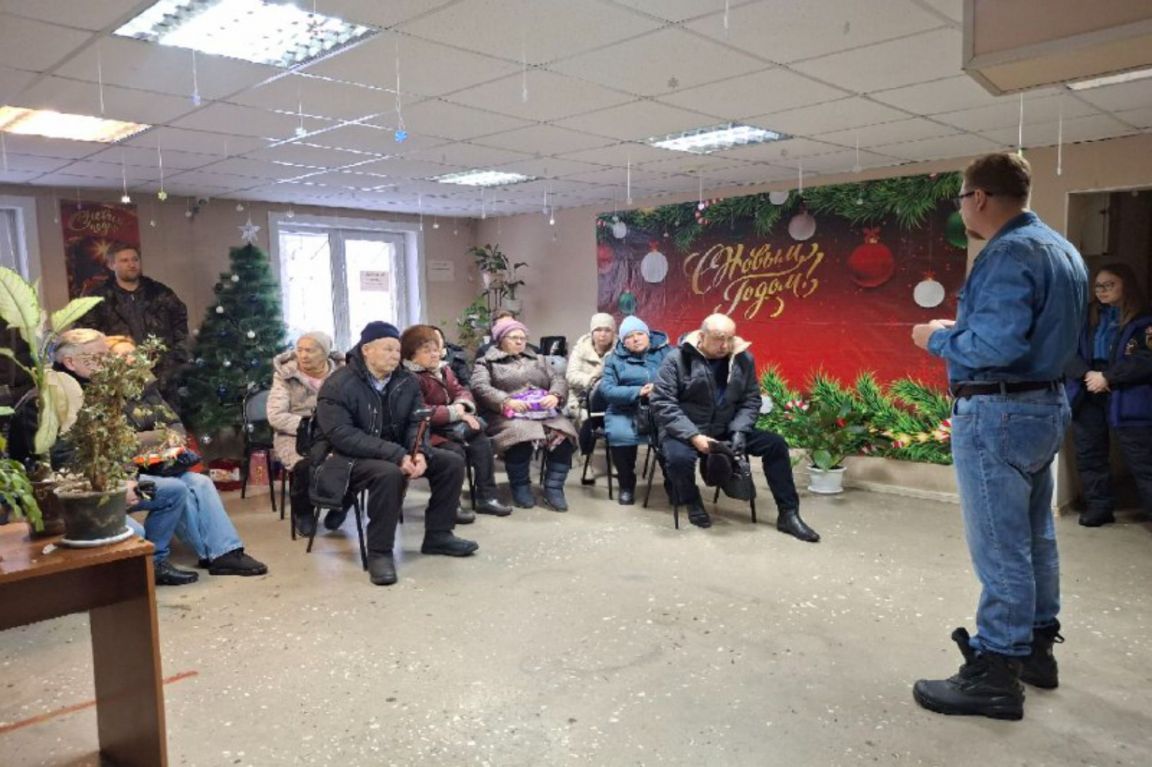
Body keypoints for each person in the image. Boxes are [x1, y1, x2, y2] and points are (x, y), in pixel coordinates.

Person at [910, 152, 1088, 720]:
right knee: (1036, 536)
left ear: (979, 198)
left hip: (999, 412)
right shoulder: (1062, 250)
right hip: (1045, 405)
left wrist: (934, 339)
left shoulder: (1006, 253)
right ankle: (1036, 648)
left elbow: (996, 348)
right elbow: (1028, 333)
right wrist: (963, 328)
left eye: (961, 199)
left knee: (1000, 545)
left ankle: (995, 672)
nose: (962, 209)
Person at [310, 321, 477, 586]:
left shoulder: (406, 380)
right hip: (348, 456)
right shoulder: (338, 384)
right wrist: (398, 455)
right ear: (366, 350)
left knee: (451, 462)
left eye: (397, 350)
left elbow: (417, 420)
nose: (394, 356)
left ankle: (439, 535)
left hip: (398, 450)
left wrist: (418, 452)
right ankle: (380, 552)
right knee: (389, 474)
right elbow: (342, 435)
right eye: (387, 349)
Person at [103, 334, 269, 577]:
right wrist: (158, 437)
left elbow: (176, 428)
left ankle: (225, 553)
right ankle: (207, 554)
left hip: (160, 466)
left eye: (133, 354)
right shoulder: (105, 398)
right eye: (123, 356)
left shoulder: (148, 391)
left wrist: (150, 439)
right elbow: (119, 443)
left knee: (200, 482)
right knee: (179, 489)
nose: (131, 360)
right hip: (129, 475)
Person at [650, 313, 819, 542]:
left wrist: (739, 430)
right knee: (678, 458)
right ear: (702, 336)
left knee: (775, 445)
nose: (725, 345)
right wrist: (694, 436)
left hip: (725, 426)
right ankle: (692, 500)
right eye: (719, 338)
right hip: (685, 429)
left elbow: (751, 400)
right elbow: (663, 403)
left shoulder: (743, 359)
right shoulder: (676, 359)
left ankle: (788, 513)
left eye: (730, 338)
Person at [1064, 263, 1152, 526]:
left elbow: (1145, 359)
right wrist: (1087, 375)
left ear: (1126, 285)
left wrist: (1109, 377)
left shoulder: (1144, 320)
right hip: (1088, 389)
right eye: (1098, 286)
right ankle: (1099, 507)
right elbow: (1065, 351)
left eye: (1109, 285)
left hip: (1128, 394)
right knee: (1089, 453)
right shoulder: (1084, 316)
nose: (1101, 290)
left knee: (1142, 459)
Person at [401, 325, 513, 519]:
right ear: (412, 355)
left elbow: (461, 391)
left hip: (450, 427)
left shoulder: (444, 370)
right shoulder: (409, 378)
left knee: (482, 442)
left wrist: (462, 406)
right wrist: (455, 413)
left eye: (436, 349)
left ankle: (487, 497)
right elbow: (419, 411)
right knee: (454, 452)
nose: (434, 354)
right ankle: (450, 505)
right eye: (426, 351)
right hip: (426, 433)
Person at [471, 317, 578, 510]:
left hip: (543, 412)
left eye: (523, 338)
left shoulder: (539, 359)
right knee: (520, 437)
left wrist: (555, 395)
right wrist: (506, 401)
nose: (520, 342)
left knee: (564, 434)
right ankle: (520, 486)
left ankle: (554, 487)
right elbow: (480, 387)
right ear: (501, 339)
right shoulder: (486, 362)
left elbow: (558, 379)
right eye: (514, 338)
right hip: (506, 414)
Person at [85, 243, 189, 402]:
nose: (131, 264)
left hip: (164, 374)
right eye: (124, 260)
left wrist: (177, 356)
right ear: (111, 265)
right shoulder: (99, 298)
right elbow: (88, 333)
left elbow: (180, 320)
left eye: (135, 259)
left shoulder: (159, 292)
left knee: (169, 416)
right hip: (122, 377)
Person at [266, 331, 345, 537]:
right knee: (305, 465)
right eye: (300, 350)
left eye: (310, 350)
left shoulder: (343, 374)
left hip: (335, 432)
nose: (303, 355)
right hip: (295, 435)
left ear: (324, 353)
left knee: (352, 459)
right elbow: (276, 416)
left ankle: (342, 504)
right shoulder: (285, 375)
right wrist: (311, 426)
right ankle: (303, 513)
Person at [599, 316, 672, 505]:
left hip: (660, 407)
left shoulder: (667, 353)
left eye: (640, 334)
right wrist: (638, 391)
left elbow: (681, 379)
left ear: (648, 335)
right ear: (623, 342)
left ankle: (673, 483)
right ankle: (626, 484)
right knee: (620, 434)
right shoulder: (613, 359)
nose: (636, 339)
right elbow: (607, 390)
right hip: (624, 409)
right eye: (629, 337)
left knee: (672, 436)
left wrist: (659, 389)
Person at [567, 312, 616, 456]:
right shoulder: (581, 348)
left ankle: (616, 457)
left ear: (613, 333)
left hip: (610, 398)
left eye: (607, 330)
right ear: (592, 332)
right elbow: (571, 376)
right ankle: (586, 457)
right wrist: (592, 377)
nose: (603, 334)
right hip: (581, 397)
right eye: (598, 330)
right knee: (586, 419)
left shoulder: (620, 350)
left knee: (616, 419)